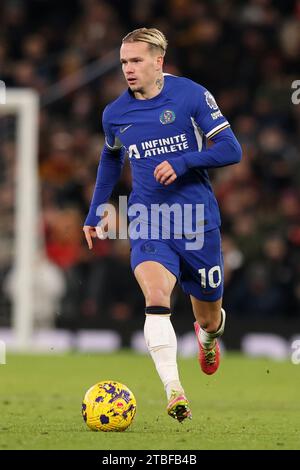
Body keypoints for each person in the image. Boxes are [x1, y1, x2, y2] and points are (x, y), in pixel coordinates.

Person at [83, 28, 242, 422]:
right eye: (123, 62)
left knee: (209, 317)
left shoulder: (191, 95)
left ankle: (207, 339)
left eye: (136, 61)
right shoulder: (116, 113)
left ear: (159, 62)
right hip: (148, 219)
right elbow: (110, 158)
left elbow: (231, 148)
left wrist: (185, 162)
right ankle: (174, 391)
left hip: (196, 222)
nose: (128, 69)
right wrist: (95, 210)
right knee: (156, 299)